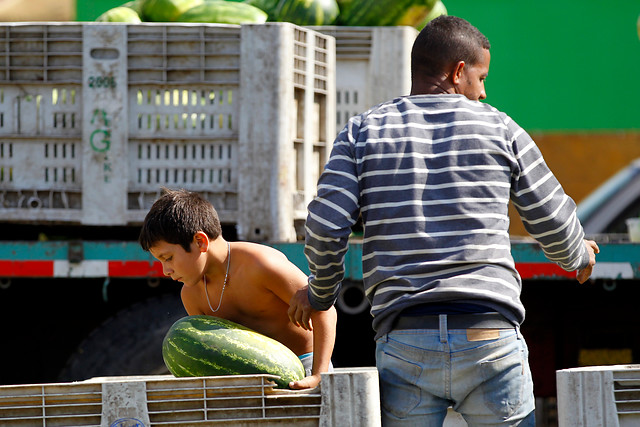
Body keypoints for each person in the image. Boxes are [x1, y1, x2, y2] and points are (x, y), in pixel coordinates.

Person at [288, 15, 599, 425]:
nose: (484, 92)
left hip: (404, 339)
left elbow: (326, 225)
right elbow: (551, 219)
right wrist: (577, 255)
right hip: (490, 337)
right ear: (457, 72)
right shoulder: (501, 129)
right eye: (481, 77)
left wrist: (321, 293)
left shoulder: (363, 131)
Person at [139, 188, 337, 390]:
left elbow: (324, 310)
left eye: (168, 258)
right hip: (249, 380)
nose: (165, 271)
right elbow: (211, 352)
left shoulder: (260, 265)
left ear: (200, 241)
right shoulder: (191, 295)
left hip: (305, 367)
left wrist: (318, 375)